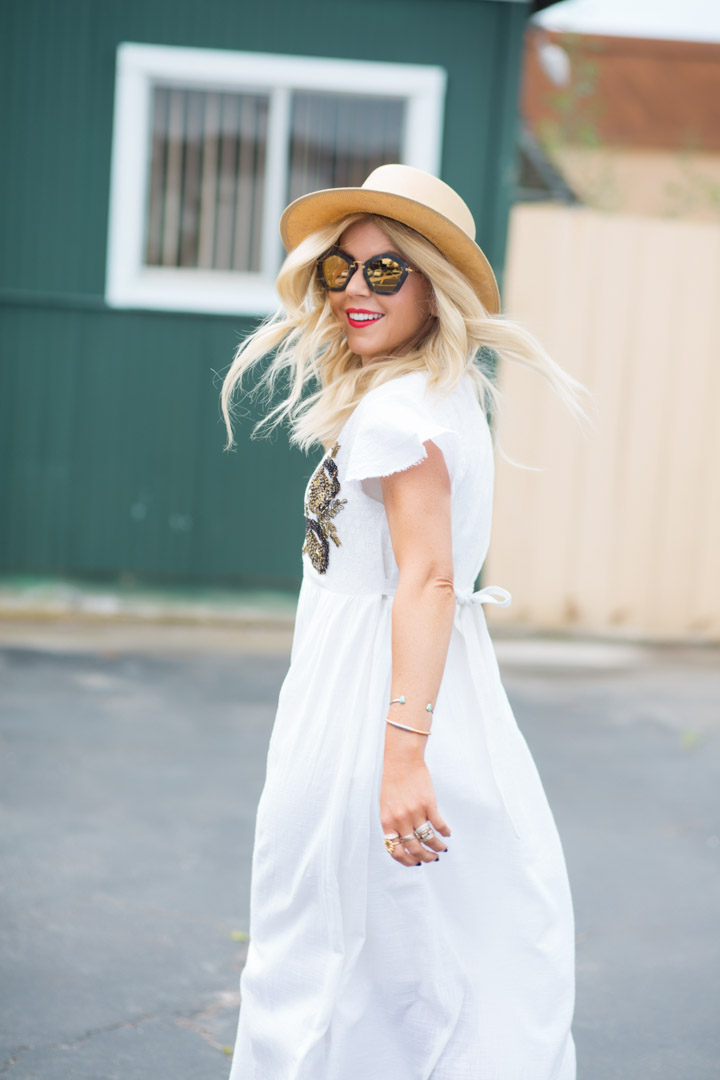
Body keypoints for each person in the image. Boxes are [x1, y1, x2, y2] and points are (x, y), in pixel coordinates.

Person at [220, 164, 586, 1080]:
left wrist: (400, 754)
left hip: (379, 708)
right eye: (340, 269)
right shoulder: (430, 393)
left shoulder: (400, 411)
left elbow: (427, 580)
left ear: (434, 286)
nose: (354, 288)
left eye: (386, 271)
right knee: (419, 950)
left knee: (336, 949)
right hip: (403, 696)